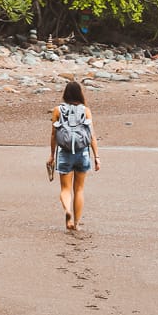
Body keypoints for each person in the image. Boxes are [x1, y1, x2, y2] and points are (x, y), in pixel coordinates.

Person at [47, 80, 100, 231]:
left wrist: (52, 155)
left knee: (65, 189)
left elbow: (53, 135)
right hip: (82, 153)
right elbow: (91, 135)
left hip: (64, 153)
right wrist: (96, 157)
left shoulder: (58, 110)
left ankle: (67, 211)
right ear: (80, 93)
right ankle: (76, 223)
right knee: (79, 189)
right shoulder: (86, 110)